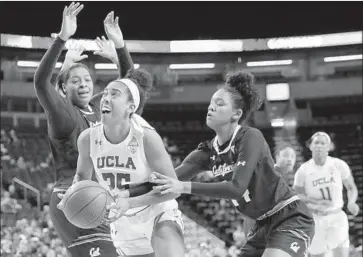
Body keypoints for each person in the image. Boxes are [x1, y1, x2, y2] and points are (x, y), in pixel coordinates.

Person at [121, 71, 315, 257]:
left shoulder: (250, 137)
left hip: (289, 217)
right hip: (261, 225)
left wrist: (183, 187)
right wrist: (126, 194)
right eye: (212, 102)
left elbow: (236, 188)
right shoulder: (207, 151)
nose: (211, 107)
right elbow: (169, 179)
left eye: (219, 104)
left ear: (236, 114)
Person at [34, 3, 133, 256]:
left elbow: (130, 89)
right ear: (64, 88)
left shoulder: (101, 109)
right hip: (73, 197)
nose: (84, 84)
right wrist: (62, 38)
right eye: (75, 81)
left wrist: (120, 48)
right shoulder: (63, 113)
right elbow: (41, 82)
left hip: (98, 198)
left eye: (87, 80)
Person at [61, 68, 185, 257]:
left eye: (115, 94)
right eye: (105, 94)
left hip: (156, 212)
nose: (105, 98)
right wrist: (72, 196)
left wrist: (131, 201)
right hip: (121, 221)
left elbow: (174, 189)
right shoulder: (87, 139)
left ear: (130, 107)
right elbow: (81, 177)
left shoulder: (146, 138)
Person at [293, 131, 360, 257]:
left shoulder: (339, 165)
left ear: (329, 147)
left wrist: (352, 202)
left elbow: (351, 187)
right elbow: (297, 196)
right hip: (314, 218)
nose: (319, 145)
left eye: (323, 143)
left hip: (336, 216)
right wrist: (317, 201)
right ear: (310, 146)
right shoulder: (303, 170)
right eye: (316, 142)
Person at [243, 142, 298, 238]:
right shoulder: (271, 174)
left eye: (292, 156)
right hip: (258, 227)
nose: (290, 159)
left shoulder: (280, 176)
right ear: (277, 156)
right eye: (285, 155)